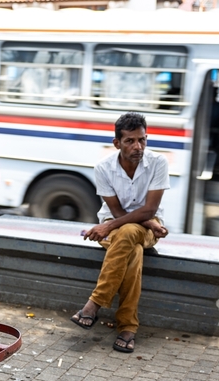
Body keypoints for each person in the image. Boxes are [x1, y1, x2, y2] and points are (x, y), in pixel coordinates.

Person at [70, 112, 170, 354]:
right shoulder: (103, 168)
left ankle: (93, 304)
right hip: (124, 225)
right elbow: (116, 211)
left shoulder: (158, 162)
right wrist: (149, 224)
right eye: (130, 141)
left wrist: (110, 226)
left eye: (142, 140)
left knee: (126, 233)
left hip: (123, 226)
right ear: (117, 143)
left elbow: (150, 209)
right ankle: (127, 327)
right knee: (132, 250)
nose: (138, 146)